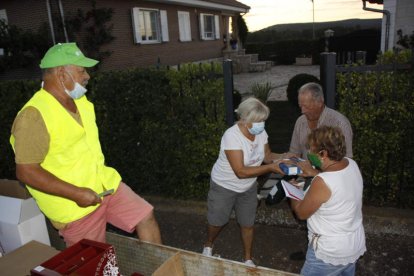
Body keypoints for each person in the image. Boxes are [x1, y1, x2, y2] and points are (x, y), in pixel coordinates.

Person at [9, 42, 162, 247]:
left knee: (145, 215)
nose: (87, 76)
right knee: (94, 262)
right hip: (73, 207)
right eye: (81, 70)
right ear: (62, 74)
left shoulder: (81, 102)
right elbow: (26, 171)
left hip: (105, 186)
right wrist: (77, 193)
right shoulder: (33, 116)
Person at [202, 97, 285, 266]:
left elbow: (268, 156)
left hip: (248, 186)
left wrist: (285, 157)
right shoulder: (232, 136)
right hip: (224, 185)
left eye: (263, 120)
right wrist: (271, 168)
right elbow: (240, 172)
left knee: (247, 223)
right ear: (244, 119)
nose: (261, 124)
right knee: (218, 221)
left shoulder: (260, 132)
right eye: (258, 120)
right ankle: (208, 244)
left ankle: (247, 259)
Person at [291, 126, 366, 275]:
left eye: (311, 150)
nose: (309, 154)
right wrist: (314, 172)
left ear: (323, 153)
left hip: (330, 252)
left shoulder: (322, 181)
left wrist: (293, 192)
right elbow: (338, 183)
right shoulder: (352, 164)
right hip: (353, 243)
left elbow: (301, 213)